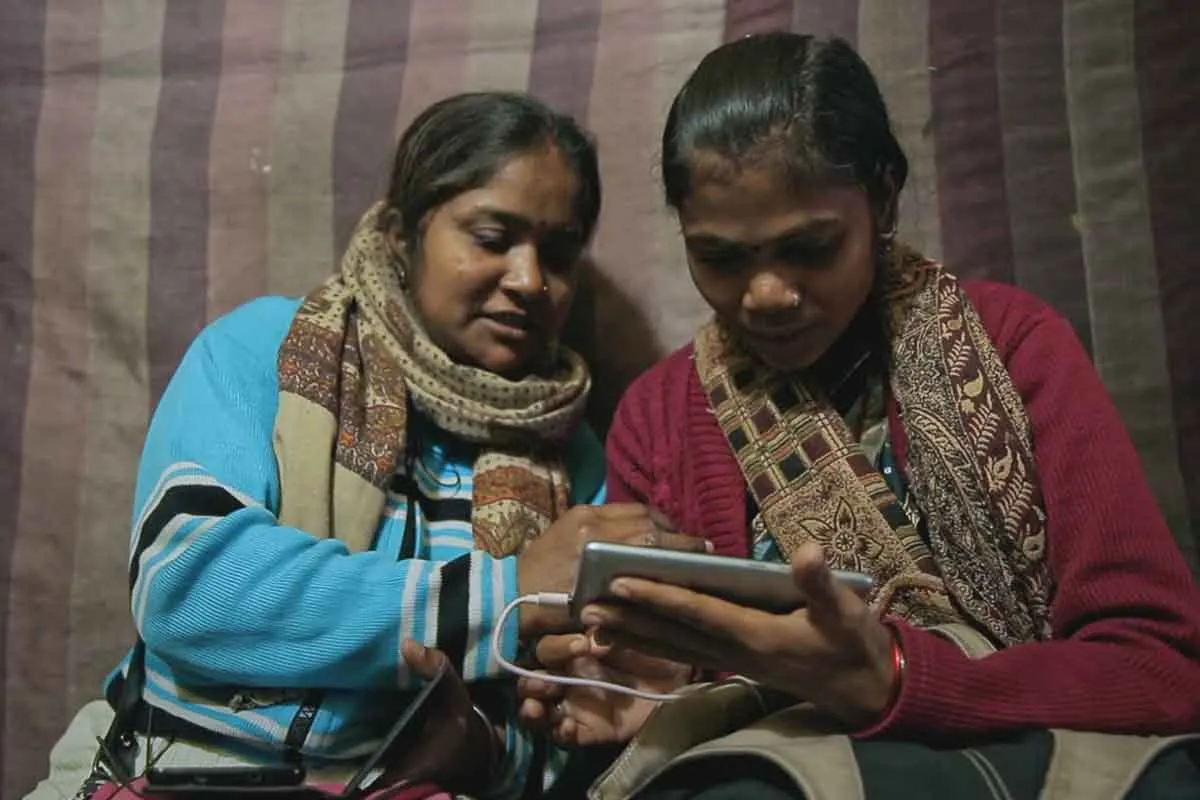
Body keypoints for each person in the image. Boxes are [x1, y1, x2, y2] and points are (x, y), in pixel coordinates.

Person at [518, 33, 1200, 799]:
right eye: (722, 258)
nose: (767, 294)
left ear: (883, 200)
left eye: (810, 247)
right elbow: (686, 686)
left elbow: (1162, 670)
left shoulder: (1012, 347)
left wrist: (899, 679)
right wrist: (641, 692)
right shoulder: (660, 416)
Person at [27, 91, 703, 800]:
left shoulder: (575, 457)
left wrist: (481, 751)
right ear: (402, 236)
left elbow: (567, 727)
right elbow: (190, 587)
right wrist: (507, 592)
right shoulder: (270, 352)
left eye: (558, 254)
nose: (530, 280)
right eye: (491, 237)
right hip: (172, 770)